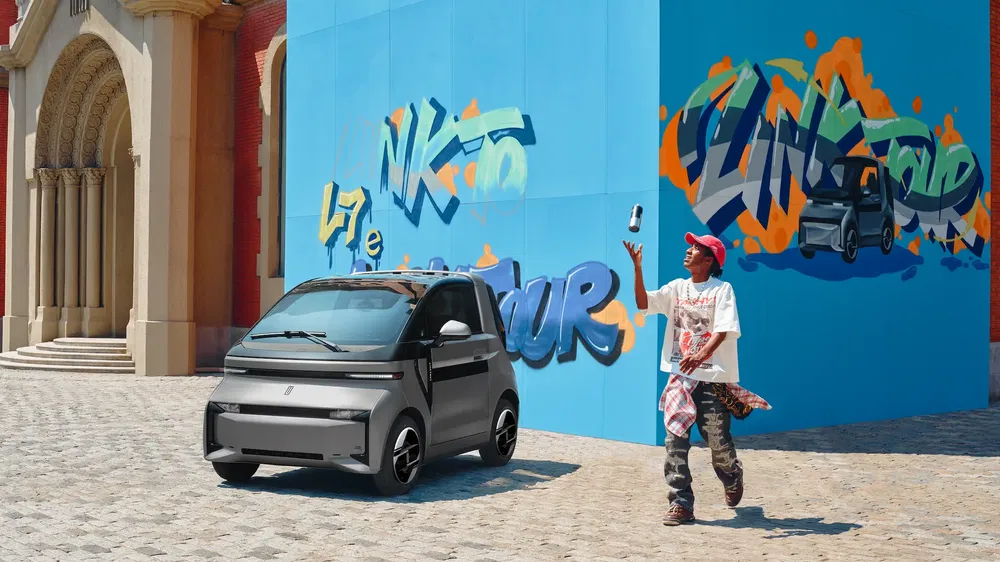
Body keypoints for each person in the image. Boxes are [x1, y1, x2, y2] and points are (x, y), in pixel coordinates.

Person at [623, 232, 770, 526]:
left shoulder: (722, 290)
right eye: (689, 247)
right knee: (674, 442)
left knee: (718, 444)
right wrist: (637, 269)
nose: (689, 251)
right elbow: (643, 302)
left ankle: (731, 473)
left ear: (709, 260)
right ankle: (681, 503)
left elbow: (724, 329)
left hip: (713, 381)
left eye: (696, 248)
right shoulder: (677, 287)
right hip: (680, 379)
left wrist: (701, 355)